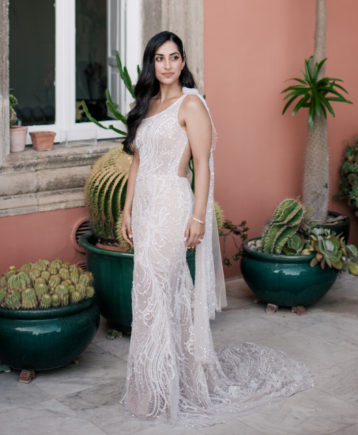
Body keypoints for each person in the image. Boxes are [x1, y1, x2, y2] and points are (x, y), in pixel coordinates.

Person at [119, 31, 312, 427]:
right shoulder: (147, 104)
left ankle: (167, 387)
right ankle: (156, 384)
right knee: (150, 291)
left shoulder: (191, 104)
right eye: (160, 58)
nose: (168, 65)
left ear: (184, 61)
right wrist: (125, 210)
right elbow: (137, 162)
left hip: (173, 203)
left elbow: (203, 165)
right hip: (145, 206)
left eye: (174, 57)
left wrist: (198, 219)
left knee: (156, 284)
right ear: (151, 63)